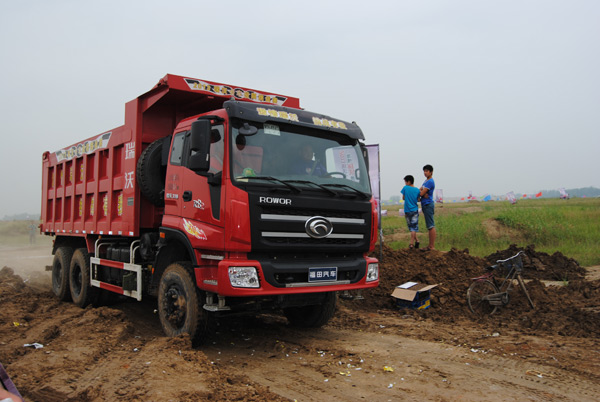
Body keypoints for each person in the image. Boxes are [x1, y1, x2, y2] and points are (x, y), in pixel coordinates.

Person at [401, 175, 420, 249]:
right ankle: (417, 241)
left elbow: (403, 198)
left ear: (408, 181)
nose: (405, 183)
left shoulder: (405, 188)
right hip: (414, 210)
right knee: (413, 227)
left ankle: (411, 244)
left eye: (405, 181)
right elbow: (418, 199)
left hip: (407, 210)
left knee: (411, 228)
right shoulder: (417, 190)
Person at [419, 164, 436, 250]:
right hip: (425, 204)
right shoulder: (426, 181)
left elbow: (421, 193)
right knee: (429, 226)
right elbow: (420, 190)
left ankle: (431, 246)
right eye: (424, 171)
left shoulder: (430, 182)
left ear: (431, 172)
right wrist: (422, 193)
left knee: (431, 226)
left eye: (427, 171)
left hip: (428, 204)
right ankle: (430, 245)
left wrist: (422, 193)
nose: (425, 173)